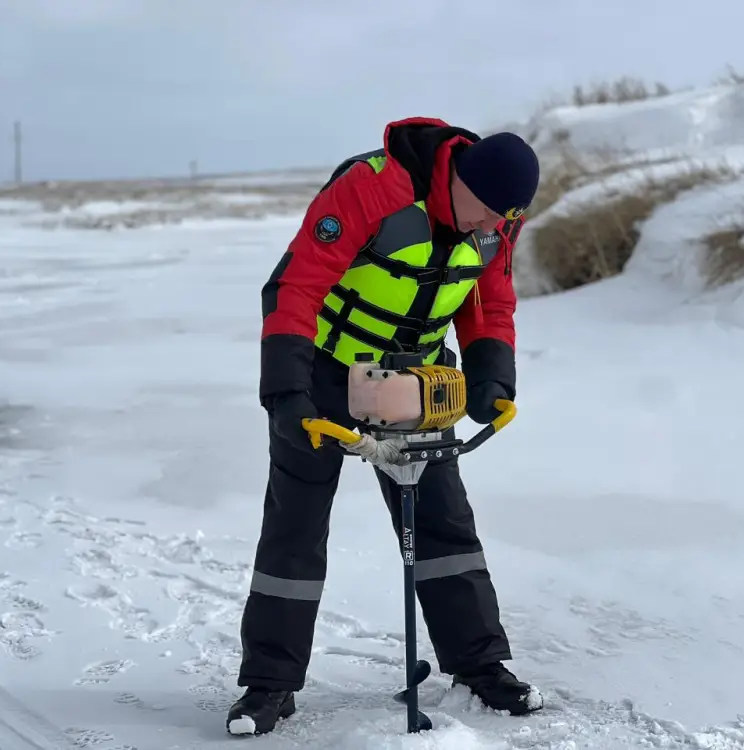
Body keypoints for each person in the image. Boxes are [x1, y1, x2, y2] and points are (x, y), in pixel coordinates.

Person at [227, 116, 542, 735]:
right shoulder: (372, 186)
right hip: (325, 371)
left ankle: (481, 668)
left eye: (503, 220)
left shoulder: (497, 216)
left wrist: (490, 377)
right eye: (485, 213)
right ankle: (269, 685)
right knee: (295, 523)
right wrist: (287, 394)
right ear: (459, 179)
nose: (490, 228)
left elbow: (489, 300)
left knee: (445, 524)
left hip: (418, 381)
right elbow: (295, 285)